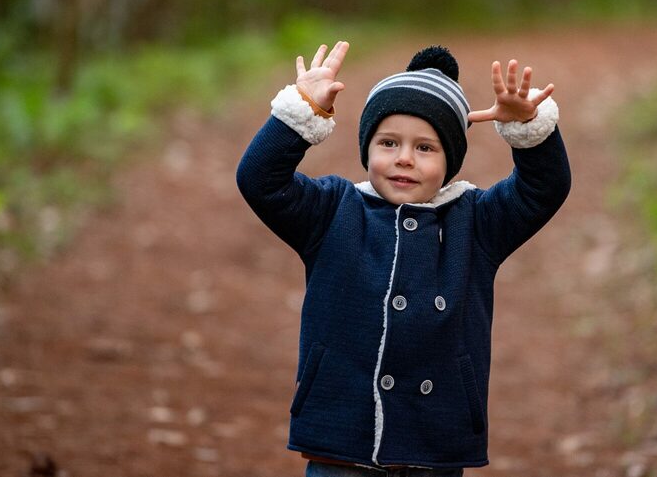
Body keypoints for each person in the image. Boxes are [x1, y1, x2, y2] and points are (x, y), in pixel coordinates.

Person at [236, 41, 571, 476]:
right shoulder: (333, 211)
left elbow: (543, 190)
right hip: (341, 436)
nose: (404, 159)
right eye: (389, 142)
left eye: (425, 148)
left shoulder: (477, 223)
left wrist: (530, 131)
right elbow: (260, 180)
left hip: (434, 439)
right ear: (367, 146)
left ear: (450, 160)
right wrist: (300, 112)